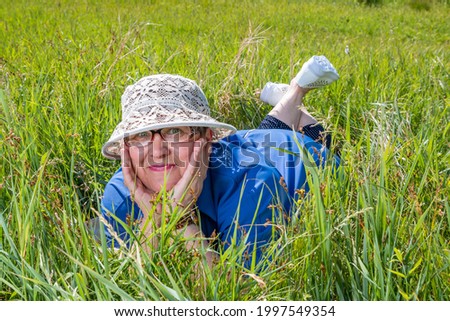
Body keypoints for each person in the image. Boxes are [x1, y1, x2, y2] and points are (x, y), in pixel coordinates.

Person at [100, 56, 340, 267]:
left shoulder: (254, 186)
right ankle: (293, 94)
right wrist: (157, 217)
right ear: (125, 149)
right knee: (261, 135)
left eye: (174, 131)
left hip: (297, 156)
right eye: (141, 135)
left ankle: (295, 95)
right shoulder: (120, 195)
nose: (157, 151)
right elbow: (125, 280)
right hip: (250, 144)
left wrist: (179, 220)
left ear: (206, 138)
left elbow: (241, 297)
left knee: (330, 145)